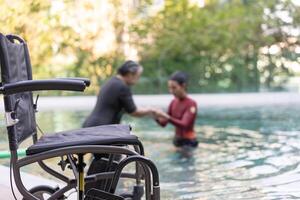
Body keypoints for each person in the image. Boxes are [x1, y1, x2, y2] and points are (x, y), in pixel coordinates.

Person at [83, 60, 156, 127]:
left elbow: (127, 108)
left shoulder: (111, 82)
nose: (138, 79)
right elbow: (134, 111)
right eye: (138, 76)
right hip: (101, 128)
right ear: (130, 74)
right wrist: (152, 110)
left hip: (90, 125)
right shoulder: (122, 87)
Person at [155, 71, 198, 148]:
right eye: (169, 88)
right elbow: (164, 124)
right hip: (177, 140)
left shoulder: (191, 103)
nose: (171, 91)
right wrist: (155, 115)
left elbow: (184, 125)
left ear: (183, 86)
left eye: (174, 87)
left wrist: (166, 117)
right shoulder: (173, 102)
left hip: (189, 142)